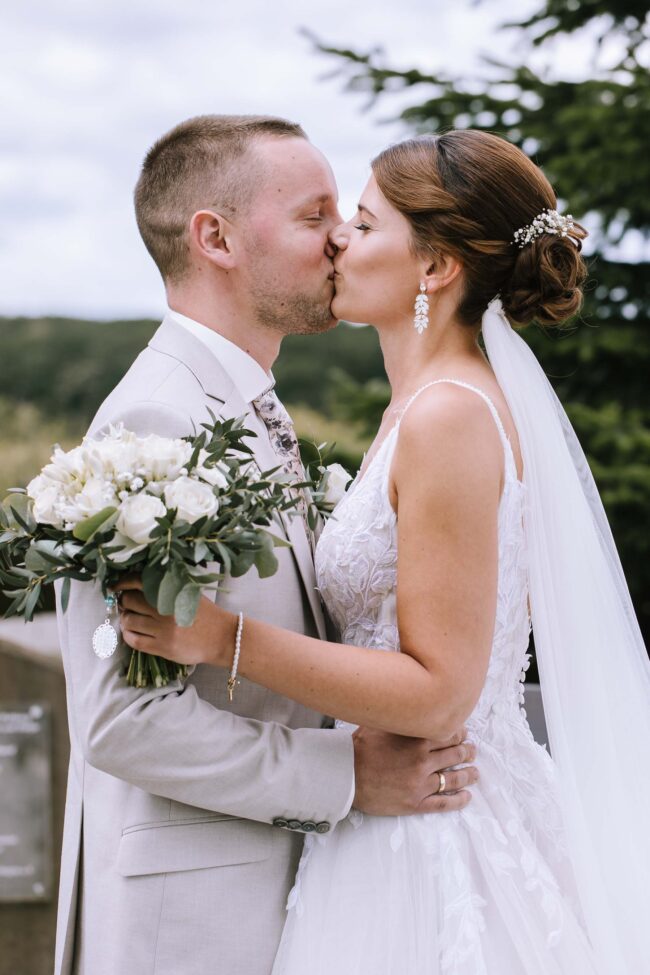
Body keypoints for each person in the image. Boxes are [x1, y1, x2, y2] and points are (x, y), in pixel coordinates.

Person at [120, 129, 650, 973]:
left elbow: (440, 691)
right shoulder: (420, 408)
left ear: (434, 266)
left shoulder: (448, 416)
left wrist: (223, 637)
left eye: (363, 224)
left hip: (438, 835)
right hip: (390, 816)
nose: (338, 239)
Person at [53, 116, 478, 975]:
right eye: (315, 215)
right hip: (193, 919)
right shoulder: (156, 419)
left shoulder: (250, 403)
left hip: (308, 897)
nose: (341, 238)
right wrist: (345, 774)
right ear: (216, 239)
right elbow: (122, 718)